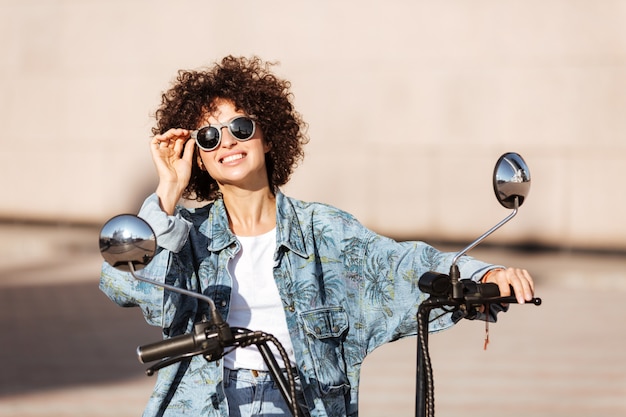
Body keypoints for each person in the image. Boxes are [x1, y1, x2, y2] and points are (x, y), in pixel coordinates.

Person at [100, 55, 535, 417]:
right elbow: (124, 284)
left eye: (241, 128)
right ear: (198, 155)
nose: (227, 142)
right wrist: (167, 194)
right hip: (205, 404)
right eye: (210, 137)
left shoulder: (324, 231)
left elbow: (396, 264)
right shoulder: (186, 236)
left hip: (301, 401)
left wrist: (484, 273)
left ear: (268, 136)